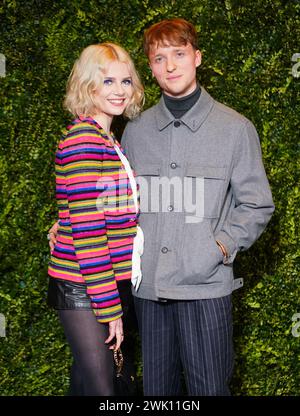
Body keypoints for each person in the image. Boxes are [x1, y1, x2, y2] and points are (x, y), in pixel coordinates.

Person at [49, 18, 275, 396]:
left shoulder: (236, 129)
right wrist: (68, 219)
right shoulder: (134, 130)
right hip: (147, 292)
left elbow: (256, 204)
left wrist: (218, 247)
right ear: (149, 69)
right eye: (158, 58)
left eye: (179, 54)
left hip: (205, 289)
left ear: (197, 58)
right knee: (155, 393)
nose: (170, 66)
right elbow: (105, 196)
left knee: (210, 390)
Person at [47, 42, 144, 396]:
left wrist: (63, 220)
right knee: (104, 389)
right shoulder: (85, 139)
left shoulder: (107, 139)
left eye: (126, 81)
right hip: (83, 288)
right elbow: (89, 232)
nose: (119, 91)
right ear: (88, 85)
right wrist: (110, 310)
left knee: (88, 384)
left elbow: (79, 206)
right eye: (107, 82)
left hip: (99, 284)